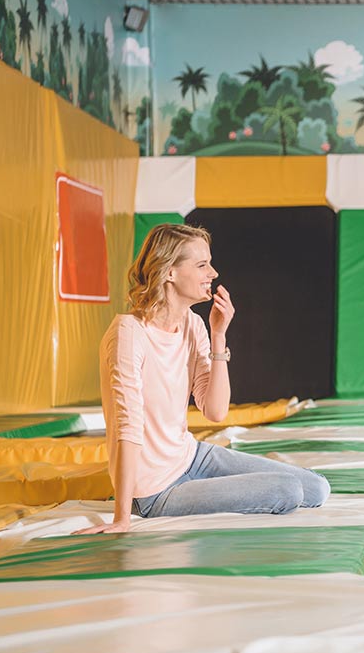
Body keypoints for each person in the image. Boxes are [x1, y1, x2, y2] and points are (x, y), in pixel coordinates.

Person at [75, 224, 330, 535]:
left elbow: (215, 411)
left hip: (192, 457)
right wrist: (122, 517)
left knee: (317, 488)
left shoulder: (193, 325)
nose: (213, 272)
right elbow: (127, 429)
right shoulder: (129, 334)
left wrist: (218, 335)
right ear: (169, 272)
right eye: (201, 265)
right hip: (156, 490)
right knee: (287, 490)